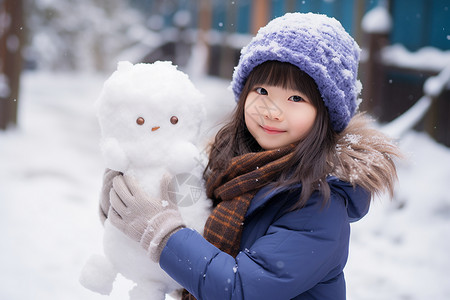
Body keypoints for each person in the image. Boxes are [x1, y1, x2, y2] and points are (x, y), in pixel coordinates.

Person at [100, 12, 402, 299]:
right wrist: (132, 200)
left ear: (324, 113)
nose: (272, 110)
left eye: (295, 98)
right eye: (262, 91)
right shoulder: (228, 167)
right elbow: (192, 223)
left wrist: (161, 231)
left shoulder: (319, 204)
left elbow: (240, 289)